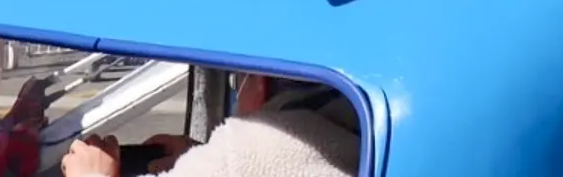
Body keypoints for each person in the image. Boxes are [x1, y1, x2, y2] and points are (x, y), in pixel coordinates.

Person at [61, 76, 356, 177]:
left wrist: (91, 174)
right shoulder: (346, 131)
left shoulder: (250, 147)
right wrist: (199, 154)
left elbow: (244, 163)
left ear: (261, 84)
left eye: (240, 79)